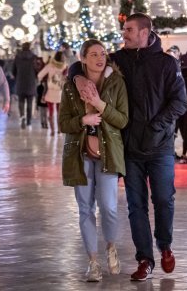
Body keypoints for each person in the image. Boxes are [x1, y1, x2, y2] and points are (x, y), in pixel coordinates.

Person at [71, 13, 187, 281]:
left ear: (145, 33)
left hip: (160, 148)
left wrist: (156, 125)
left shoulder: (168, 64)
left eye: (129, 30)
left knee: (163, 200)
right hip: (130, 149)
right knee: (135, 206)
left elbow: (179, 102)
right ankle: (145, 259)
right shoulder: (119, 60)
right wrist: (77, 77)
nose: (124, 34)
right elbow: (84, 63)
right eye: (124, 29)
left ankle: (165, 245)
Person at [59, 39, 129, 282]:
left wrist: (100, 105)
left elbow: (122, 120)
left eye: (103, 53)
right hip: (80, 154)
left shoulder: (116, 83)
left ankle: (111, 246)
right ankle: (92, 262)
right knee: (85, 208)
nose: (100, 58)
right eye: (94, 54)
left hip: (108, 153)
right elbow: (63, 123)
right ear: (83, 59)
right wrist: (82, 121)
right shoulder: (70, 87)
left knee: (109, 207)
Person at [37, 51, 67, 136]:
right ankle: (59, 130)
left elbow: (39, 75)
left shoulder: (50, 66)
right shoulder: (65, 67)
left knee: (50, 112)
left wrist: (45, 81)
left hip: (50, 92)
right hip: (60, 93)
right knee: (59, 112)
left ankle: (52, 131)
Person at [12, 43, 38, 129]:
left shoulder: (17, 57)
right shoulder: (34, 57)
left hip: (20, 82)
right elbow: (37, 69)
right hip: (31, 82)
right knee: (30, 102)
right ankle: (29, 121)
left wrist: (17, 76)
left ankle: (22, 117)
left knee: (21, 101)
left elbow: (13, 70)